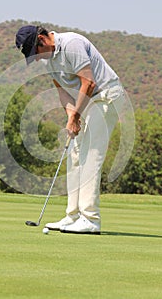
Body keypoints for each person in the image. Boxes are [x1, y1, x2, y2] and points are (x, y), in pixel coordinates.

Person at [15, 25, 125, 234]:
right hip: (87, 101)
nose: (36, 59)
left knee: (90, 154)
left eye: (34, 52)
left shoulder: (72, 44)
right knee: (74, 154)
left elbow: (89, 82)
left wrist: (76, 115)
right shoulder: (48, 59)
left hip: (105, 96)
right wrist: (70, 117)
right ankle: (72, 216)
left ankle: (90, 219)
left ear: (42, 39)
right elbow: (62, 91)